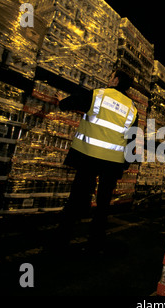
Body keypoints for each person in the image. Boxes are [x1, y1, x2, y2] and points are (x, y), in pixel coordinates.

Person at [53, 69, 138, 254]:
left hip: (89, 157)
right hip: (112, 162)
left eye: (110, 76)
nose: (109, 79)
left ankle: (61, 240)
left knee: (77, 198)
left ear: (115, 80)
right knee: (103, 203)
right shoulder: (132, 108)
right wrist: (125, 164)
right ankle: (96, 240)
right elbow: (132, 139)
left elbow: (69, 103)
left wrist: (60, 101)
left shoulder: (99, 95)